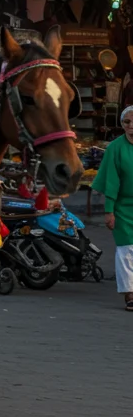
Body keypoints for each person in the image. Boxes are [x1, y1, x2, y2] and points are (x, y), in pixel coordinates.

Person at [93, 105, 133, 311]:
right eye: (127, 122)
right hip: (123, 207)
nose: (131, 126)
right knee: (126, 250)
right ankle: (129, 294)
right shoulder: (115, 148)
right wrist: (109, 211)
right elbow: (111, 181)